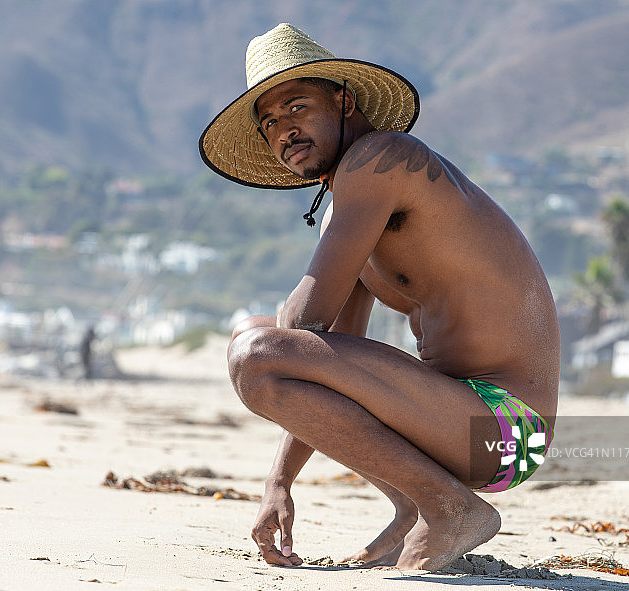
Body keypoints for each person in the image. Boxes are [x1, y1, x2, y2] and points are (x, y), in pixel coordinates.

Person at [199, 23, 560, 571]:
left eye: (297, 107)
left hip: (509, 431)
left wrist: (274, 335)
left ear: (344, 101)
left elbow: (300, 329)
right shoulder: (350, 211)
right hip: (458, 427)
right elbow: (324, 359)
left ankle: (449, 507)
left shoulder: (382, 158)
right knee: (257, 345)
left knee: (254, 345)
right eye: (270, 122)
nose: (284, 131)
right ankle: (416, 505)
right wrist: (278, 483)